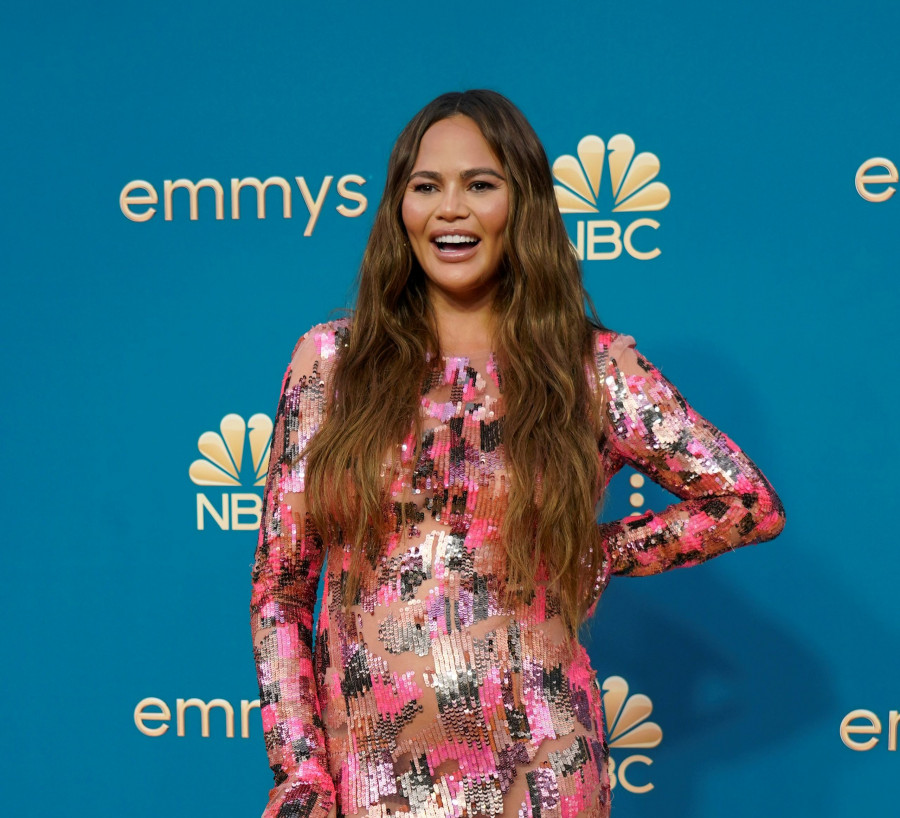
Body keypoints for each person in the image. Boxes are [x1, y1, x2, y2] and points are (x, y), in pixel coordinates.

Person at [250, 89, 786, 818]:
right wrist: (301, 773)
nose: (451, 210)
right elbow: (280, 593)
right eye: (426, 186)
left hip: (541, 763)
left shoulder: (589, 370)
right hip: (371, 774)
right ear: (398, 208)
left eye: (480, 184)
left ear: (523, 202)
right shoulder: (331, 363)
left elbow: (745, 503)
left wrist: (600, 553)